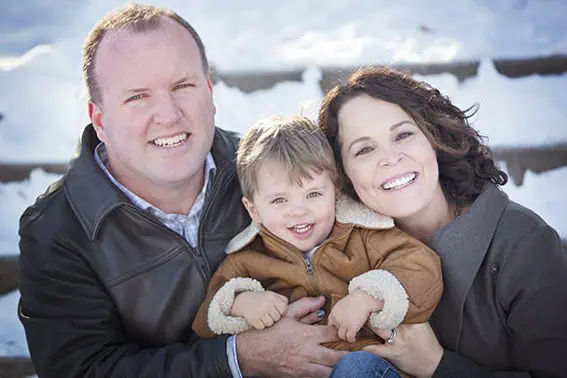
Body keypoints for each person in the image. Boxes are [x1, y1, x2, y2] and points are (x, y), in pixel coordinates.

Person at [17, 4, 347, 378]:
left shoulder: (266, 171)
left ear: (209, 91)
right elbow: (83, 370)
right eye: (137, 96)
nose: (169, 114)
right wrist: (236, 358)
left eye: (182, 86)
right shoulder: (58, 230)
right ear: (100, 120)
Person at [318, 65, 567, 378]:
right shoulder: (340, 245)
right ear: (344, 175)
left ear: (433, 138)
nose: (390, 158)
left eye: (403, 134)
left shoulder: (525, 245)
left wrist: (438, 365)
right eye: (365, 149)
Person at [191, 115, 443, 378]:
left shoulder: (364, 236)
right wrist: (241, 303)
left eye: (313, 194)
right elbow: (205, 323)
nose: (299, 211)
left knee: (356, 368)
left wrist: (369, 297)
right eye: (279, 200)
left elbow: (423, 269)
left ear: (335, 191)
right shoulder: (245, 261)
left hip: (366, 366)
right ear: (253, 210)